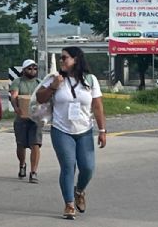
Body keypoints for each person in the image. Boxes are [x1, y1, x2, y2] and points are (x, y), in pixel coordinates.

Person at [35, 46, 107, 220]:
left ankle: (79, 191)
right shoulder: (55, 79)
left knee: (88, 168)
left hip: (84, 130)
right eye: (60, 58)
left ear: (76, 59)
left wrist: (102, 130)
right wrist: (53, 87)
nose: (61, 61)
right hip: (61, 130)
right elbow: (39, 97)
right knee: (68, 166)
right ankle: (68, 204)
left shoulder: (90, 79)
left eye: (64, 58)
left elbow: (97, 106)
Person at [9, 59, 43, 183]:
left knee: (35, 144)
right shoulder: (18, 82)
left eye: (34, 68)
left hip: (35, 119)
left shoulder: (39, 83)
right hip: (21, 118)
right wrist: (16, 107)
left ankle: (33, 172)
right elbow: (14, 96)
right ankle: (22, 164)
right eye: (29, 68)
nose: (32, 70)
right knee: (21, 144)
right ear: (24, 70)